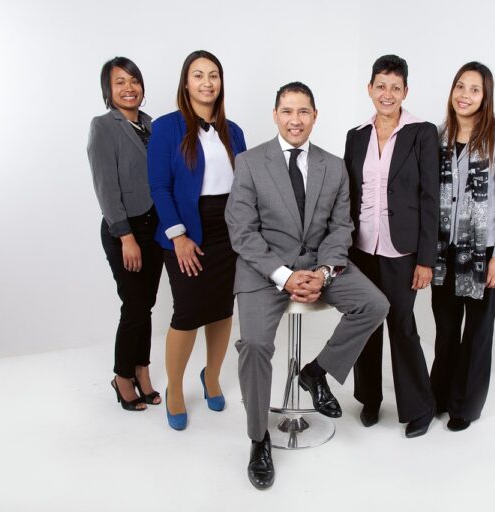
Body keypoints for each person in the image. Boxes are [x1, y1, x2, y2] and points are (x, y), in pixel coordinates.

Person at [226, 82, 389, 490]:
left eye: (303, 112)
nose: (295, 120)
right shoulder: (249, 163)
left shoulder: (333, 166)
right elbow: (242, 232)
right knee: (255, 345)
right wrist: (283, 275)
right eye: (287, 111)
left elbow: (341, 227)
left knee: (375, 304)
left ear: (315, 116)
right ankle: (258, 439)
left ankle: (316, 372)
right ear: (275, 115)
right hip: (264, 271)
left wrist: (324, 273)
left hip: (319, 265)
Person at [148, 50, 246, 430]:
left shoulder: (234, 131)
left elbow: (245, 186)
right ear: (186, 83)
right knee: (188, 313)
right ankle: (175, 388)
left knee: (222, 310)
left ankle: (212, 376)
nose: (207, 82)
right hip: (186, 230)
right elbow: (159, 186)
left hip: (228, 231)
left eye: (213, 75)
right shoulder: (166, 127)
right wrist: (179, 237)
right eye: (198, 75)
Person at [344, 55, 439, 437]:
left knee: (401, 325)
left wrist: (427, 260)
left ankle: (419, 407)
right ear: (370, 88)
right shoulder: (356, 136)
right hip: (361, 249)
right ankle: (369, 399)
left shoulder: (422, 133)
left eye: (395, 87)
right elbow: (348, 196)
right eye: (381, 86)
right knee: (366, 324)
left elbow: (431, 198)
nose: (387, 94)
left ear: (405, 92)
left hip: (403, 252)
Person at [430, 61, 495, 432]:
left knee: (478, 332)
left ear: (485, 96)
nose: (465, 95)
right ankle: (438, 396)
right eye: (460, 86)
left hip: (484, 252)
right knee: (446, 328)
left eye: (474, 89)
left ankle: (464, 406)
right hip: (445, 251)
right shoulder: (439, 134)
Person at [87, 57, 164, 412]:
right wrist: (126, 237)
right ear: (108, 89)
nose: (129, 88)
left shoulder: (150, 125)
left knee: (146, 305)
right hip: (125, 230)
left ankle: (141, 370)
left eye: (134, 80)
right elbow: (106, 187)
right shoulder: (104, 126)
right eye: (120, 82)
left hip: (154, 227)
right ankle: (122, 377)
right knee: (134, 306)